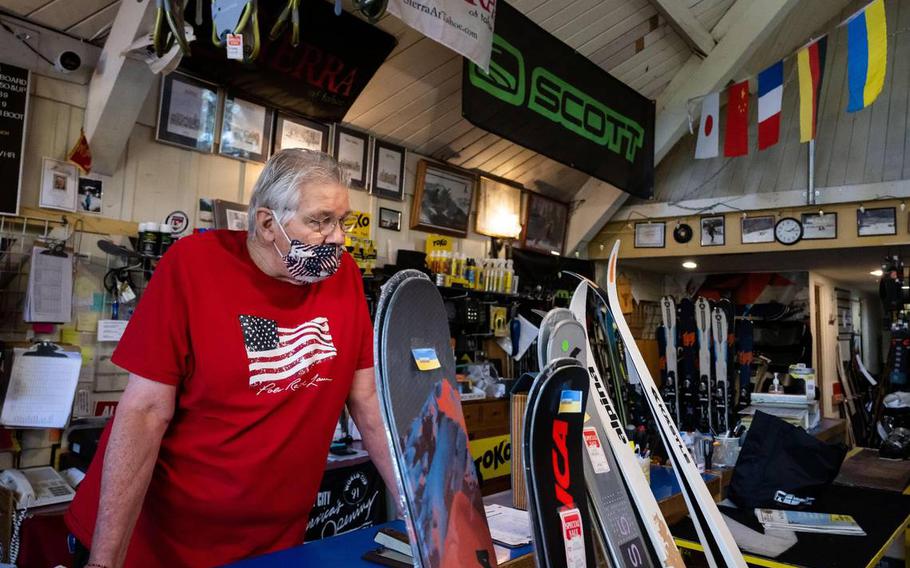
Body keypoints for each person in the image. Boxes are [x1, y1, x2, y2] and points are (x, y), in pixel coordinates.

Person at [65, 150, 397, 567]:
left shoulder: (342, 276)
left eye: (342, 221)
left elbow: (367, 402)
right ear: (266, 223)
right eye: (320, 221)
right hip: (156, 545)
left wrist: (423, 517)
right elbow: (146, 411)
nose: (338, 237)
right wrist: (105, 561)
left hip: (272, 545)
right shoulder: (193, 265)